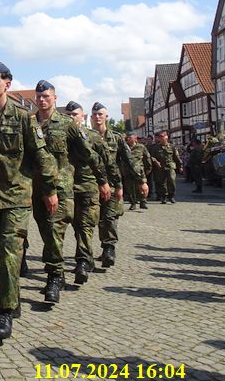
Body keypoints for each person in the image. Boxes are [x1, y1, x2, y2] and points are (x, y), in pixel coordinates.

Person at [0, 62, 57, 339]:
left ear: (8, 84)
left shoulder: (23, 117)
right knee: (2, 250)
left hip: (16, 196)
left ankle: (4, 311)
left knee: (8, 253)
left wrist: (50, 189)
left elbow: (42, 156)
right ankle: (13, 300)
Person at [31, 82, 106, 304]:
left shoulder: (66, 124)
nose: (42, 100)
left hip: (62, 188)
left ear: (55, 98)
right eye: (39, 97)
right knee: (46, 232)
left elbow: (87, 153)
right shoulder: (29, 123)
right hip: (37, 188)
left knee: (55, 231)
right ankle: (58, 271)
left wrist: (103, 180)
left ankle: (54, 277)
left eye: (46, 96)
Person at [90, 103, 146, 268]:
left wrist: (141, 180)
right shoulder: (87, 137)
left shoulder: (116, 138)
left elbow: (130, 160)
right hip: (91, 185)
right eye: (95, 114)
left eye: (101, 114)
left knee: (110, 217)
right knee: (95, 219)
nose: (98, 117)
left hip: (113, 184)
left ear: (106, 116)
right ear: (91, 117)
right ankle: (93, 251)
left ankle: (109, 248)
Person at [64, 102, 113, 285]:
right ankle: (87, 257)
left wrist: (107, 183)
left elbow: (108, 163)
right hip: (68, 189)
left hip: (88, 187)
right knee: (77, 226)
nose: (70, 117)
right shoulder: (61, 137)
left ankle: (82, 262)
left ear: (82, 116)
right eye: (67, 114)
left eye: (74, 114)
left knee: (85, 225)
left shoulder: (92, 137)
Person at [151, 131, 182, 203]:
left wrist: (180, 166)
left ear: (166, 138)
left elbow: (176, 157)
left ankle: (171, 196)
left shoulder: (172, 147)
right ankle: (164, 196)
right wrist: (155, 161)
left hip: (170, 166)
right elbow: (152, 156)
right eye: (160, 137)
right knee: (162, 182)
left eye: (162, 137)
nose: (161, 139)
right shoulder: (156, 147)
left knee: (171, 181)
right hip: (160, 167)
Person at [123, 133, 152, 210]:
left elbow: (147, 157)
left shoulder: (141, 147)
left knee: (142, 186)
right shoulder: (124, 147)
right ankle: (133, 203)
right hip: (128, 171)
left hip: (139, 170)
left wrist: (149, 167)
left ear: (135, 139)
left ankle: (143, 202)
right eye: (127, 137)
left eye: (130, 137)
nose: (128, 139)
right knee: (130, 187)